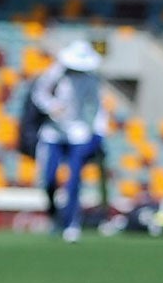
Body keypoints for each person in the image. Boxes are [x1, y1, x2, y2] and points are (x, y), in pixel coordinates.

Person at [32, 40, 109, 243]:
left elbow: (98, 108)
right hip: (53, 133)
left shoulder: (91, 80)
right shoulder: (56, 72)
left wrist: (99, 133)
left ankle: (71, 222)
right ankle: (54, 216)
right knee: (48, 179)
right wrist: (51, 107)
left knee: (74, 179)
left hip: (77, 133)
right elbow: (39, 94)